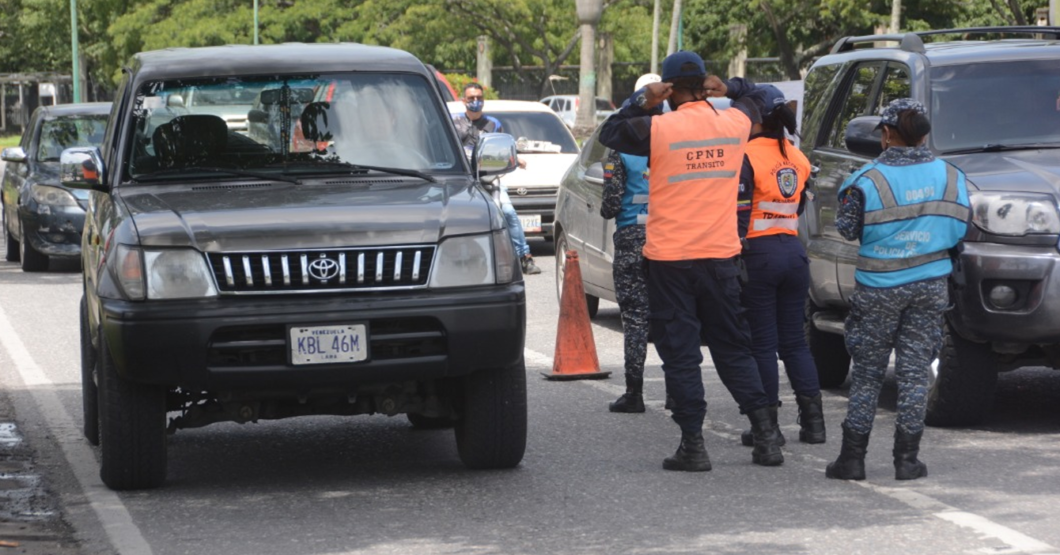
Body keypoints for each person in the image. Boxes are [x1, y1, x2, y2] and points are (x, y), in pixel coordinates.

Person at [599, 51, 783, 472]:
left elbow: (611, 133)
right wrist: (729, 87)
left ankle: (694, 446)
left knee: (681, 354)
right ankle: (767, 437)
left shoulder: (658, 127)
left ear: (667, 88)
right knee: (734, 349)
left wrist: (640, 100)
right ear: (704, 85)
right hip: (720, 256)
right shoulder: (734, 123)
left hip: (670, 260)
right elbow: (762, 95)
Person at [826, 98, 970, 481]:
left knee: (869, 374)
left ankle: (852, 460)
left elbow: (847, 229)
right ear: (924, 134)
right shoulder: (952, 176)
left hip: (878, 289)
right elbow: (960, 230)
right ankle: (907, 460)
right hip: (929, 286)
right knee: (913, 372)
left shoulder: (865, 180)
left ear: (887, 134)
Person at [735, 85, 826, 447]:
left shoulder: (745, 155)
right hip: (793, 253)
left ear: (754, 116)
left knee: (763, 344)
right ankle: (814, 424)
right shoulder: (797, 156)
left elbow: (740, 212)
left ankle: (767, 425)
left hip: (759, 256)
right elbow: (799, 207)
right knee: (795, 344)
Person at [600, 73, 662, 413]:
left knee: (636, 319)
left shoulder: (621, 148)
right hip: (669, 239)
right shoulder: (673, 142)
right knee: (670, 317)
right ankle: (679, 390)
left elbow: (611, 205)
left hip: (631, 241)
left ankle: (634, 393)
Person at [452, 82, 541, 275]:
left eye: (479, 98)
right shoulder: (454, 124)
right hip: (462, 183)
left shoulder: (493, 125)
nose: (475, 102)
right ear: (463, 101)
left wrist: (516, 159)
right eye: (471, 98)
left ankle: (525, 257)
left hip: (491, 180)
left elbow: (503, 151)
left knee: (508, 211)